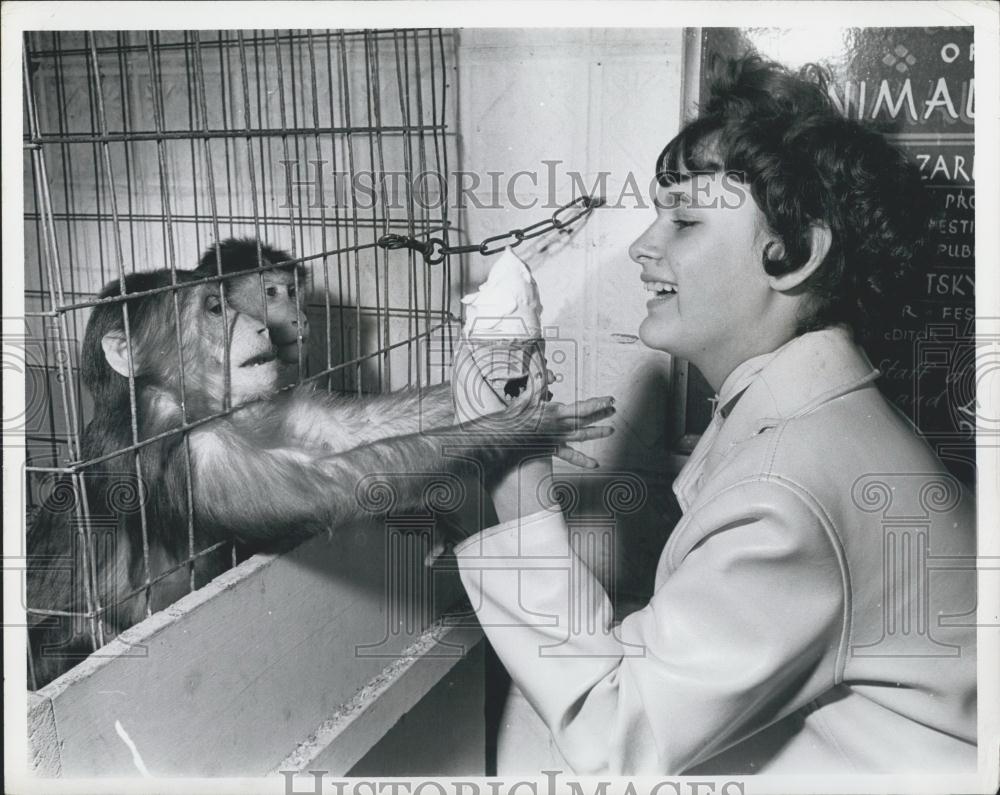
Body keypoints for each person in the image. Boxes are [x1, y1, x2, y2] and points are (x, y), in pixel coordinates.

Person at [450, 55, 977, 775]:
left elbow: (608, 748)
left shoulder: (786, 492)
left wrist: (518, 490)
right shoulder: (829, 423)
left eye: (686, 220)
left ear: (792, 255)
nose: (642, 246)